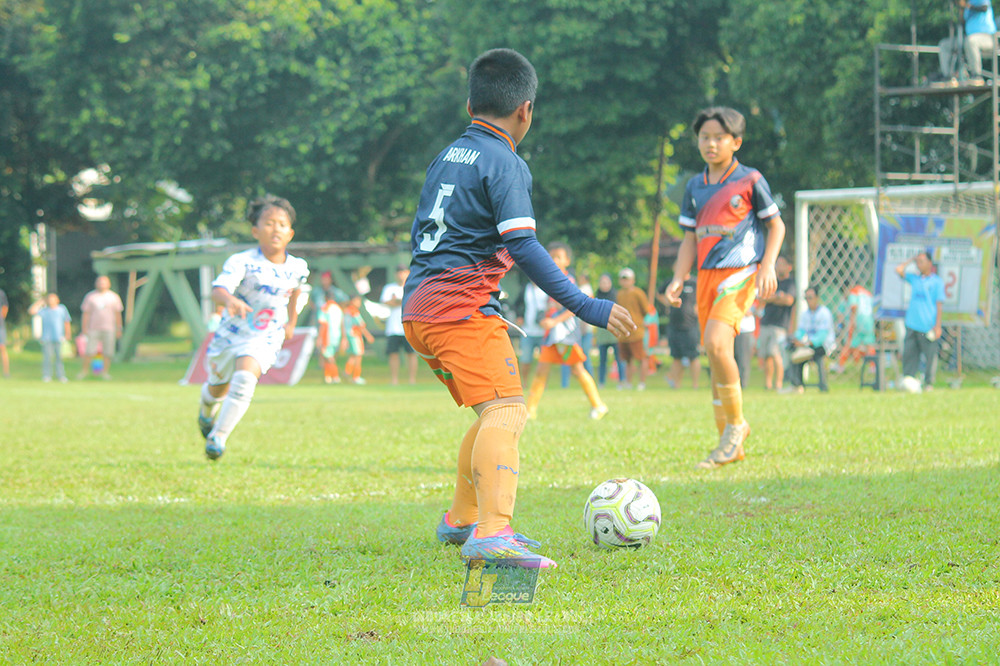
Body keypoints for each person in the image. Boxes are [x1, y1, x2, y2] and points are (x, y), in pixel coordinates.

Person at [401, 48, 635, 570]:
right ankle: (492, 532)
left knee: (491, 411)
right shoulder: (504, 161)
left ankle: (462, 518)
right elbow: (525, 245)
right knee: (509, 410)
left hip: (420, 308)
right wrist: (584, 305)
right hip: (458, 311)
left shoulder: (448, 155)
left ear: (469, 105)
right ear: (525, 110)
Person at [664, 106, 785, 470]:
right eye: (704, 137)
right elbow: (689, 237)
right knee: (715, 358)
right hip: (705, 276)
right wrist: (678, 277)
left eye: (719, 137)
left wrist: (766, 267)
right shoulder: (695, 185)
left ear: (736, 142)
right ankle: (727, 443)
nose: (711, 143)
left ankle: (736, 427)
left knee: (718, 343)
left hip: (741, 274)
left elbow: (776, 226)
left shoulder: (749, 180)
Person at [196, 195, 309, 460]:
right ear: (255, 230)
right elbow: (218, 290)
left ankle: (218, 437)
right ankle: (205, 411)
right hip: (230, 334)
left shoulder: (298, 267)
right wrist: (230, 300)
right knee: (217, 389)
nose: (276, 229)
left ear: (290, 233)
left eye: (282, 224)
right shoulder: (242, 261)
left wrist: (291, 323)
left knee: (246, 378)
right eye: (269, 223)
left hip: (266, 335)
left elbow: (295, 293)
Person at [525, 243, 609, 421]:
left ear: (567, 261)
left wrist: (554, 321)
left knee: (577, 369)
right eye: (551, 256)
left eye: (558, 257)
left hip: (565, 334)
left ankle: (598, 405)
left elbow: (573, 308)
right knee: (541, 370)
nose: (553, 260)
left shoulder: (567, 280)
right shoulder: (547, 278)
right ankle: (530, 410)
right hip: (552, 335)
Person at [896, 251, 945, 390]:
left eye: (922, 261)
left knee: (930, 356)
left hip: (927, 326)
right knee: (909, 354)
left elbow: (939, 305)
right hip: (912, 324)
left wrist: (938, 326)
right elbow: (898, 270)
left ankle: (928, 383)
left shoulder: (936, 282)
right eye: (918, 262)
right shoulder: (915, 279)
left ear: (930, 263)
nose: (919, 264)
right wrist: (911, 260)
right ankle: (908, 381)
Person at [756, 255, 795, 390]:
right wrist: (777, 297)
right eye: (777, 263)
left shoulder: (790, 283)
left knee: (776, 353)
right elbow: (762, 297)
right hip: (766, 322)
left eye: (782, 263)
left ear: (789, 267)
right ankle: (768, 384)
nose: (779, 266)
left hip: (780, 325)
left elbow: (789, 300)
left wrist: (772, 297)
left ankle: (778, 383)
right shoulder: (772, 281)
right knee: (766, 355)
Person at [789, 286, 835, 393]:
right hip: (809, 345)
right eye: (806, 298)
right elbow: (801, 331)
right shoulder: (805, 314)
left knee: (817, 353)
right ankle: (797, 385)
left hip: (824, 345)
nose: (808, 301)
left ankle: (823, 385)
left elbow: (822, 336)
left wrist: (805, 343)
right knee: (795, 354)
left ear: (817, 298)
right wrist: (795, 340)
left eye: (810, 297)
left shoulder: (824, 313)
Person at [938, 0, 997, 84]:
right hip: (969, 39)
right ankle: (948, 76)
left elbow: (984, 8)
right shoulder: (966, 7)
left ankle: (976, 75)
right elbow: (962, 25)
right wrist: (960, 9)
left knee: (971, 41)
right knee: (944, 45)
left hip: (988, 38)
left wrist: (966, 6)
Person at [78, 275, 124, 380]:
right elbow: (86, 313)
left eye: (104, 282)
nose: (102, 284)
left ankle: (104, 372)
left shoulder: (114, 297)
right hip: (93, 328)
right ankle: (84, 371)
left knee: (108, 352)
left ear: (109, 284)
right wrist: (84, 327)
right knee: (90, 351)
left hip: (109, 328)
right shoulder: (90, 297)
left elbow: (117, 314)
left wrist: (119, 328)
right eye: (100, 282)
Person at [380, 265, 418, 385]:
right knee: (393, 354)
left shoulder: (412, 286)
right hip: (393, 328)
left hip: (409, 326)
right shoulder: (389, 288)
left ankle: (412, 379)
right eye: (399, 272)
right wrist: (402, 301)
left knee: (411, 354)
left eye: (403, 272)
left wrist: (397, 301)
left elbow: (413, 302)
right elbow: (387, 302)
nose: (401, 274)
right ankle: (394, 379)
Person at [661, 275, 700, 389]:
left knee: (693, 356)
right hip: (674, 326)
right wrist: (667, 303)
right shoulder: (671, 282)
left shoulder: (694, 282)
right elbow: (660, 293)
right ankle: (676, 385)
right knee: (676, 356)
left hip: (690, 325)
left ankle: (695, 385)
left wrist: (698, 308)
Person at [616, 267, 651, 390]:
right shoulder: (619, 294)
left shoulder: (638, 293)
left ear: (633, 280)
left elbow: (645, 310)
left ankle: (642, 383)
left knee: (641, 357)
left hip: (637, 331)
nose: (625, 282)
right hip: (623, 332)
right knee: (627, 359)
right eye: (623, 279)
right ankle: (628, 383)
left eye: (627, 279)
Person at [832, 284, 876, 373]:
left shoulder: (854, 292)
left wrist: (852, 321)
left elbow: (854, 307)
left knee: (849, 343)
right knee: (869, 345)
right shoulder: (867, 293)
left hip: (858, 321)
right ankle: (873, 367)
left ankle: (840, 365)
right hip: (869, 322)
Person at [561, 271, 595, 388]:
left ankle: (590, 381)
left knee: (582, 356)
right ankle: (587, 382)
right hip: (577, 328)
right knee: (578, 357)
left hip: (582, 328)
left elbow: (586, 307)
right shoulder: (582, 288)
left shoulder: (586, 289)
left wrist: (584, 326)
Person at [29, 293, 72, 382]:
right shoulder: (44, 310)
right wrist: (40, 301)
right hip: (47, 338)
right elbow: (31, 311)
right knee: (47, 358)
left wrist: (68, 334)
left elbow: (66, 321)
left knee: (59, 358)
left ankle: (61, 375)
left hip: (59, 337)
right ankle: (47, 375)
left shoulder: (61, 309)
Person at [593, 273, 627, 387]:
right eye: (602, 282)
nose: (604, 285)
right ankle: (601, 382)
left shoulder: (615, 295)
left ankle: (622, 380)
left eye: (606, 282)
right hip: (602, 331)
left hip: (614, 331)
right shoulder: (597, 296)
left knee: (619, 358)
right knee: (602, 359)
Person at [518, 280, 548, 384]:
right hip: (528, 330)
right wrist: (520, 316)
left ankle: (543, 384)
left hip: (543, 331)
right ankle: (525, 382)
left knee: (545, 360)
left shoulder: (547, 287)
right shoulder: (526, 288)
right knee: (525, 359)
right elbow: (518, 303)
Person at [342, 293, 374, 384]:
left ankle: (347, 371)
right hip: (355, 335)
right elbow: (361, 325)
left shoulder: (346, 311)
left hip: (349, 336)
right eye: (358, 300)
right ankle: (356, 377)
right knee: (358, 356)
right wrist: (368, 336)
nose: (359, 303)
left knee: (353, 355)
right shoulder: (354, 312)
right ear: (353, 301)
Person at [317, 288, 347, 384]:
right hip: (336, 335)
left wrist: (319, 338)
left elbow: (323, 324)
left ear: (325, 298)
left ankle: (335, 376)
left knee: (328, 357)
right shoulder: (338, 308)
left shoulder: (325, 308)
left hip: (327, 336)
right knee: (331, 355)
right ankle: (328, 376)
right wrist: (343, 337)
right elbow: (342, 324)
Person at [0, 287, 8, 378]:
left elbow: (5, 307)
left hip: (0, 327)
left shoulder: (1, 293)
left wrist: (1, 319)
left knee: (2, 348)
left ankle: (6, 373)